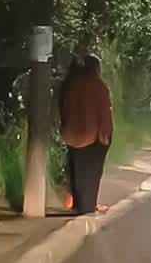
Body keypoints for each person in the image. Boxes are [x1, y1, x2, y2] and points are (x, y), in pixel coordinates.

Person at [60, 53, 113, 214]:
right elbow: (104, 113)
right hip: (92, 136)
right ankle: (87, 207)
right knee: (92, 173)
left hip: (71, 135)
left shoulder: (70, 85)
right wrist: (105, 134)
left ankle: (79, 204)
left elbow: (62, 109)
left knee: (77, 171)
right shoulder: (98, 85)